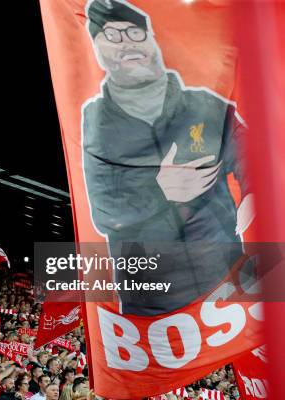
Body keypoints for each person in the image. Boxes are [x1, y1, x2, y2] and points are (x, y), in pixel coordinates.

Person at [81, 0, 253, 315]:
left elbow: (248, 148)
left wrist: (254, 191)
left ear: (151, 42)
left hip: (225, 278)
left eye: (135, 32)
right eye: (113, 35)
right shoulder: (96, 125)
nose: (127, 42)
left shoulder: (201, 105)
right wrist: (161, 192)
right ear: (97, 49)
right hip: (155, 301)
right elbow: (104, 211)